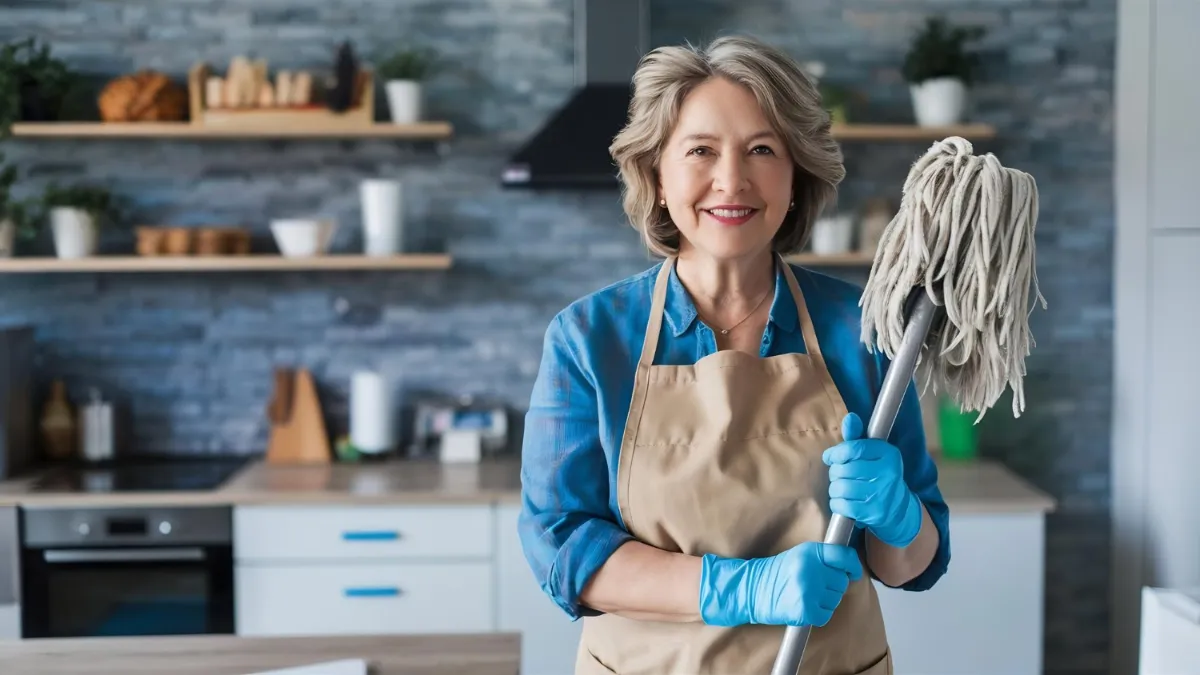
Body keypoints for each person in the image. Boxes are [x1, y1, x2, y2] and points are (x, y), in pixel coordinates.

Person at [518, 34, 950, 675]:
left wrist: (897, 516)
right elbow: (562, 550)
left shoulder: (864, 330)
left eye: (762, 150)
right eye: (700, 150)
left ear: (795, 178)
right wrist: (743, 589)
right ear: (656, 177)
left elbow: (914, 566)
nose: (732, 179)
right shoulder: (590, 338)